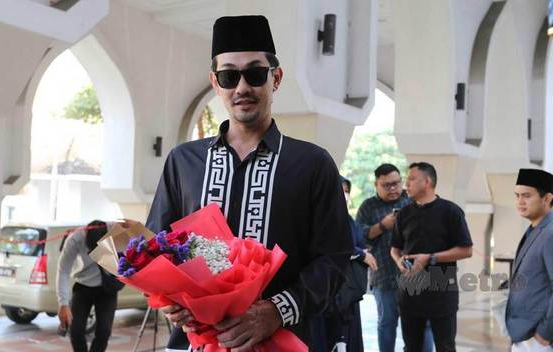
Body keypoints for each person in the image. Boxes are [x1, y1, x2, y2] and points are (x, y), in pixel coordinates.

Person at [145, 15, 354, 351]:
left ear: (276, 78)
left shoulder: (313, 164)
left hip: (284, 340)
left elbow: (335, 257)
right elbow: (157, 245)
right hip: (196, 342)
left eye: (255, 74)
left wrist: (275, 311)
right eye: (229, 76)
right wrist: (169, 298)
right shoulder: (183, 162)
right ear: (215, 83)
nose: (242, 88)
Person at [390, 162, 473, 352]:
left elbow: (466, 249)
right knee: (411, 347)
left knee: (445, 346)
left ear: (427, 181)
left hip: (441, 287)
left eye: (411, 179)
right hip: (411, 287)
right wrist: (399, 261)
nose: (406, 185)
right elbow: (394, 248)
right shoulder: (404, 214)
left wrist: (430, 258)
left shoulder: (451, 211)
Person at [356, 163, 434, 352]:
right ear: (376, 185)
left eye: (396, 183)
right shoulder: (368, 206)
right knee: (387, 323)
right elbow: (360, 237)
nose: (393, 188)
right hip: (384, 277)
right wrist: (384, 225)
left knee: (422, 323)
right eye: (386, 185)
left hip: (414, 275)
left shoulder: (412, 201)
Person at [313, 177, 378, 352]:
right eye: (340, 190)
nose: (344, 195)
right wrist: (359, 254)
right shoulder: (321, 217)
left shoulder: (349, 219)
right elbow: (329, 244)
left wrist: (362, 252)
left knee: (347, 336)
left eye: (347, 191)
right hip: (329, 289)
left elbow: (356, 241)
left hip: (348, 290)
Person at [56, 220, 123, 352]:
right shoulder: (74, 239)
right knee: (75, 330)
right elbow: (63, 271)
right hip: (83, 286)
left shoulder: (115, 230)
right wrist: (62, 303)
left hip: (107, 288)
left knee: (104, 332)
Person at [506, 168, 553, 352]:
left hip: (538, 338)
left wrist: (544, 335)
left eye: (526, 196)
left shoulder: (550, 233)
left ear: (547, 198)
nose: (520, 202)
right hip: (524, 334)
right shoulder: (535, 229)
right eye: (517, 196)